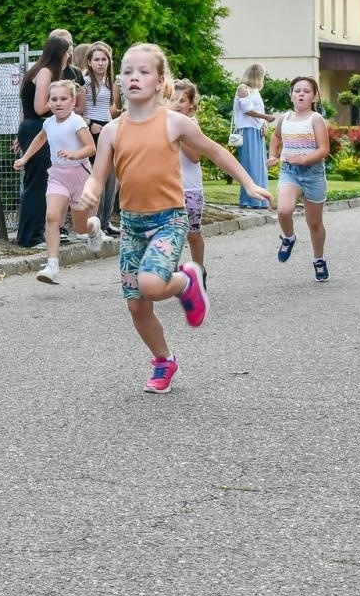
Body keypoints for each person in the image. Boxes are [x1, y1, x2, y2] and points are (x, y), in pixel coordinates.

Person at [81, 44, 270, 394]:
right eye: (127, 72)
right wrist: (91, 190)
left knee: (151, 285)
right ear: (120, 81)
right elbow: (99, 173)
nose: (134, 77)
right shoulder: (111, 131)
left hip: (169, 219)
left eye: (143, 71)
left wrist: (249, 182)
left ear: (159, 82)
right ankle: (163, 360)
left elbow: (214, 150)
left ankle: (187, 281)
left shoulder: (174, 122)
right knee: (137, 305)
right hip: (133, 225)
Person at [13, 80, 105, 284]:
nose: (58, 103)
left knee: (81, 228)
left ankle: (93, 227)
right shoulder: (48, 123)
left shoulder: (77, 122)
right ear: (49, 103)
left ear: (73, 102)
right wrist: (25, 158)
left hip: (79, 175)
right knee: (52, 216)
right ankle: (52, 265)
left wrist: (74, 154)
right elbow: (39, 139)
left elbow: (91, 148)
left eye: (63, 99)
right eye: (53, 99)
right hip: (57, 176)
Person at [269, 76, 332, 280]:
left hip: (313, 174)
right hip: (290, 172)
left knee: (314, 223)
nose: (301, 94)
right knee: (284, 210)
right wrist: (273, 155)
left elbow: (324, 149)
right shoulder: (285, 118)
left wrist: (304, 159)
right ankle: (289, 237)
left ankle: (319, 259)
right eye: (297, 91)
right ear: (291, 95)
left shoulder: (315, 119)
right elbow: (276, 137)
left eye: (306, 91)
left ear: (314, 96)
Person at [14, 35, 72, 248]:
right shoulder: (46, 72)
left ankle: (31, 234)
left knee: (39, 182)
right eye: (67, 52)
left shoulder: (40, 70)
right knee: (37, 183)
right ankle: (31, 237)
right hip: (36, 128)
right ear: (60, 53)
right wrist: (63, 99)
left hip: (34, 128)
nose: (68, 57)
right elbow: (39, 108)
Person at [169, 80, 209, 275]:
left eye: (182, 100)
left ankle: (199, 271)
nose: (177, 104)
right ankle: (175, 275)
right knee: (171, 234)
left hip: (190, 188)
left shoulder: (192, 125)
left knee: (193, 233)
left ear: (191, 105)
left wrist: (180, 134)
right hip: (168, 189)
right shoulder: (162, 124)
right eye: (173, 99)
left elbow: (195, 156)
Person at [81, 41, 120, 234]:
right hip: (92, 129)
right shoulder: (86, 82)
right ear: (89, 62)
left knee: (112, 177)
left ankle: (106, 222)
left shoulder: (110, 82)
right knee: (98, 177)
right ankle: (95, 222)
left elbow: (109, 109)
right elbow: (76, 108)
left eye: (104, 59)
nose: (100, 63)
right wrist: (89, 124)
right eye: (96, 59)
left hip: (108, 127)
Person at [233, 63, 274, 210]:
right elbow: (247, 110)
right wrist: (266, 117)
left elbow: (258, 109)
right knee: (249, 165)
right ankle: (249, 200)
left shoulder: (255, 91)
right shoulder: (242, 89)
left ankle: (260, 199)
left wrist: (264, 123)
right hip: (247, 130)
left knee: (259, 165)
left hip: (256, 130)